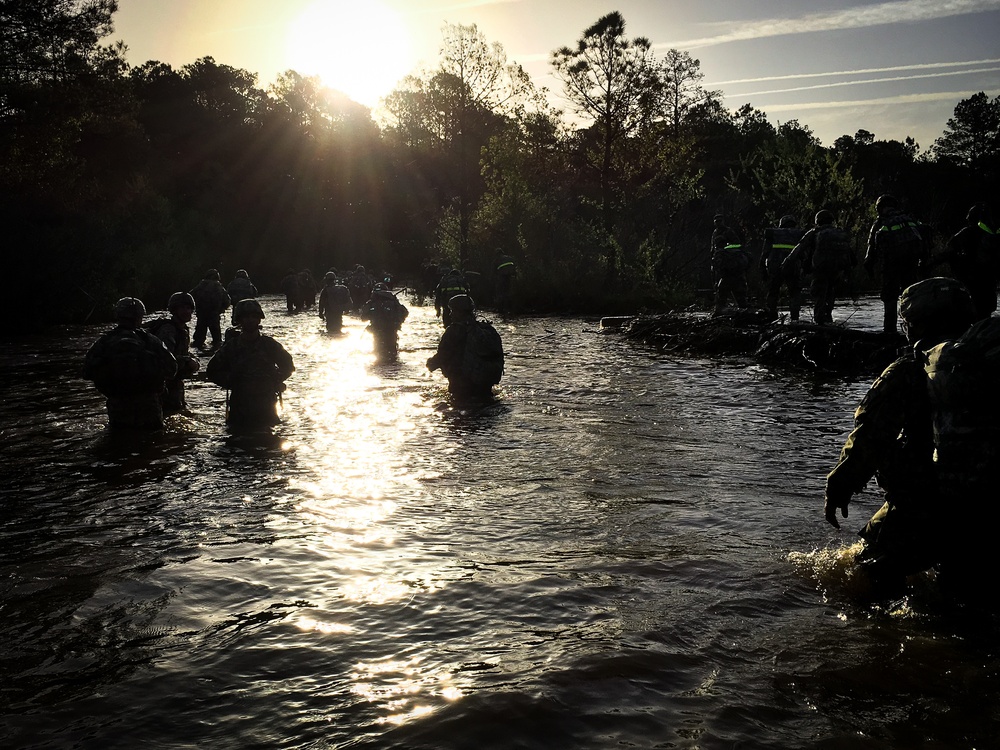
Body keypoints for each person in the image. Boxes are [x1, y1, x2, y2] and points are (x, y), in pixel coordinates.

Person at [823, 277, 976, 594]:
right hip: (986, 504)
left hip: (924, 505)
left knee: (863, 575)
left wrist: (839, 486)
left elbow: (870, 437)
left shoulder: (907, 371)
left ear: (917, 324)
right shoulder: (990, 363)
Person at [83, 297, 178, 430]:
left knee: (118, 444)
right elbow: (172, 369)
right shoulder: (150, 340)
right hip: (149, 405)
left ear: (118, 316)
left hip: (117, 405)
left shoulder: (104, 341)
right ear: (140, 317)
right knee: (153, 443)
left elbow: (87, 372)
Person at [205, 299, 295, 431]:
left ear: (259, 319)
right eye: (246, 317)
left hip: (266, 403)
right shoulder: (232, 346)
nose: (250, 320)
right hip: (240, 403)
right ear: (239, 320)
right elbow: (212, 371)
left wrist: (274, 380)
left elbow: (288, 366)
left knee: (269, 442)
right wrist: (231, 380)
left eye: (254, 316)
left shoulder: (269, 345)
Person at [863, 194, 928, 334]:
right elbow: (925, 241)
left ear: (880, 208)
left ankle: (890, 331)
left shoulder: (880, 223)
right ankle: (913, 330)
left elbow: (870, 254)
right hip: (911, 264)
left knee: (890, 297)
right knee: (910, 295)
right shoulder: (910, 220)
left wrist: (870, 271)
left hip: (891, 265)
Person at [427, 294, 504, 403]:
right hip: (485, 387)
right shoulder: (487, 329)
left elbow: (442, 355)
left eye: (453, 311)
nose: (450, 314)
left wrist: (430, 364)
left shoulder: (453, 331)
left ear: (460, 312)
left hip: (461, 387)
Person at [784, 209, 854, 325]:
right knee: (830, 292)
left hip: (821, 269)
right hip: (837, 269)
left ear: (818, 221)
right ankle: (828, 317)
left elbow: (799, 247)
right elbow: (850, 253)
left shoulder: (814, 232)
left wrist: (787, 261)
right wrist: (848, 270)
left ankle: (819, 322)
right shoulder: (839, 232)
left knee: (819, 294)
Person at [938, 203, 999, 320]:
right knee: (986, 308)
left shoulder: (967, 232)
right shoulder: (993, 235)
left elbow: (949, 248)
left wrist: (931, 263)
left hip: (973, 276)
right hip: (990, 277)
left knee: (977, 305)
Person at [145, 292, 201, 415]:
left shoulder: (182, 329)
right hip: (164, 386)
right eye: (182, 308)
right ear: (174, 310)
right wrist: (187, 361)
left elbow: (181, 353)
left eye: (188, 308)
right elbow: (165, 359)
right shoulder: (168, 330)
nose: (186, 311)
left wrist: (193, 360)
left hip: (175, 384)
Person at [759, 214, 806, 322]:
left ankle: (771, 316)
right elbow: (803, 253)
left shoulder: (773, 233)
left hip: (774, 267)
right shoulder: (799, 234)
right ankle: (795, 318)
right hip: (793, 267)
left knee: (773, 291)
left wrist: (762, 269)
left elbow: (764, 253)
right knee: (794, 293)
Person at [709, 214, 749, 315]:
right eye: (716, 221)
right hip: (722, 265)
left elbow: (737, 244)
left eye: (720, 221)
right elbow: (712, 249)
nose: (718, 223)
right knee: (721, 293)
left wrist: (726, 247)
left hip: (730, 266)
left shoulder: (728, 231)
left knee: (739, 296)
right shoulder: (715, 233)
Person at [361, 283, 408, 357]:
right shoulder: (393, 302)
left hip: (378, 332)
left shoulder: (371, 303)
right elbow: (404, 312)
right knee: (392, 353)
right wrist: (398, 322)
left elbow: (363, 318)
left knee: (378, 353)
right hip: (392, 331)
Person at [189, 268, 231, 349]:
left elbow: (190, 297)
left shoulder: (200, 286)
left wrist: (193, 308)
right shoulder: (219, 287)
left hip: (201, 314)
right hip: (214, 314)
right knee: (217, 340)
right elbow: (228, 300)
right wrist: (222, 309)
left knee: (198, 339)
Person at [494, 251, 517, 316]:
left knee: (501, 292)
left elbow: (494, 271)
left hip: (502, 276)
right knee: (509, 292)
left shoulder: (497, 259)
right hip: (511, 276)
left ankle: (501, 308)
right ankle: (510, 308)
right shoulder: (510, 257)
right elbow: (514, 266)